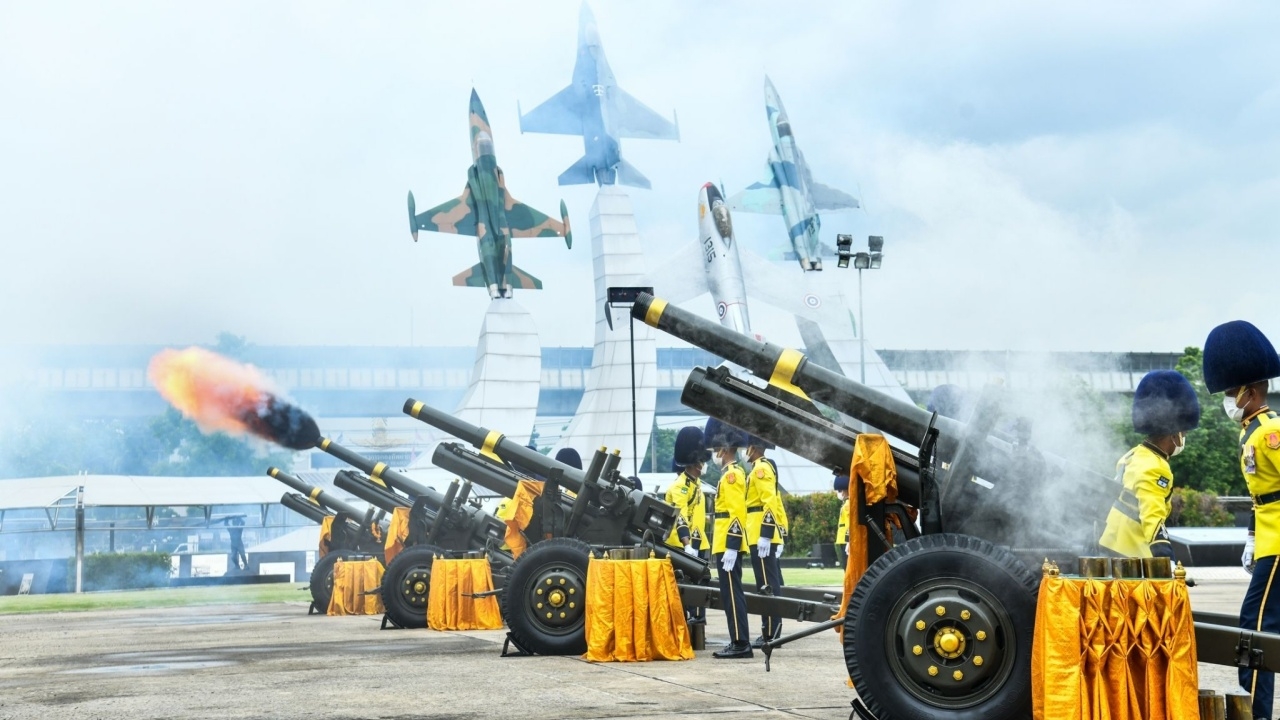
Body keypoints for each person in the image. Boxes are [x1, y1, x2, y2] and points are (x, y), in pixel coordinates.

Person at [1204, 319, 1280, 720]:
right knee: (1257, 624)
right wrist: (1253, 537)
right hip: (1269, 540)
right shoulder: (1251, 431)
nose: (1228, 399)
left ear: (1251, 392)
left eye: (1231, 393)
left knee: (1257, 626)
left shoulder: (1271, 433)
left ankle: (1254, 712)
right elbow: (1261, 497)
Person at [1098, 370, 1200, 559]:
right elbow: (1152, 516)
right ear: (1174, 433)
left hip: (1110, 545)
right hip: (1132, 556)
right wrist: (1165, 558)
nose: (1184, 438)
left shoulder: (1132, 455)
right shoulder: (1156, 468)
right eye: (1184, 433)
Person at [705, 417, 752, 659]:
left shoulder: (732, 476)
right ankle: (737, 640)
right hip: (724, 544)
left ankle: (741, 643)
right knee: (729, 593)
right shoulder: (729, 474)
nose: (714, 454)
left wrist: (732, 546)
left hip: (728, 544)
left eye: (715, 449)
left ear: (724, 449)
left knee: (732, 594)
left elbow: (736, 513)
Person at [744, 435, 787, 648]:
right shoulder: (759, 468)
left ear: (754, 447)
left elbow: (769, 502)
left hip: (760, 532)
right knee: (766, 583)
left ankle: (771, 632)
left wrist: (766, 534)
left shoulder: (760, 469)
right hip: (757, 531)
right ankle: (771, 630)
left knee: (767, 585)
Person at [665, 426, 711, 624]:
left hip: (698, 541)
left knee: (701, 583)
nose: (703, 464)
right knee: (685, 586)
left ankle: (698, 619)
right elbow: (680, 517)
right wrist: (687, 545)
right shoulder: (679, 487)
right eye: (701, 461)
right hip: (682, 543)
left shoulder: (696, 483)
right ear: (694, 463)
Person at [833, 474, 850, 567]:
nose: (840, 493)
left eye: (841, 490)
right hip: (842, 540)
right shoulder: (846, 503)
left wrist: (849, 541)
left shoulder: (848, 505)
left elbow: (849, 523)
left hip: (845, 540)